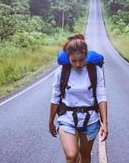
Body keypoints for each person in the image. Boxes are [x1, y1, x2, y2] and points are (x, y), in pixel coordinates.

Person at [48, 34, 108, 163]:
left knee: (85, 155)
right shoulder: (61, 71)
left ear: (86, 55)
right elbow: (55, 98)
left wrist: (105, 123)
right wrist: (50, 121)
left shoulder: (95, 70)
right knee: (72, 155)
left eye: (81, 60)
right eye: (74, 60)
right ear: (68, 57)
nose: (78, 64)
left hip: (90, 120)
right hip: (67, 118)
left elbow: (101, 97)